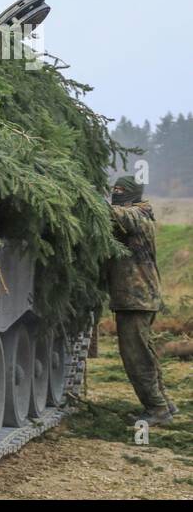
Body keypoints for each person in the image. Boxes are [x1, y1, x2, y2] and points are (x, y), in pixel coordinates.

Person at [107, 175, 176, 425]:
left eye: (121, 190)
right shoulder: (138, 215)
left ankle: (156, 408)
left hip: (136, 298)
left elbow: (116, 216)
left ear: (133, 194)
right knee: (144, 351)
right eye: (113, 189)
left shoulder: (139, 215)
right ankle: (164, 403)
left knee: (136, 356)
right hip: (136, 297)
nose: (116, 193)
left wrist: (90, 199)